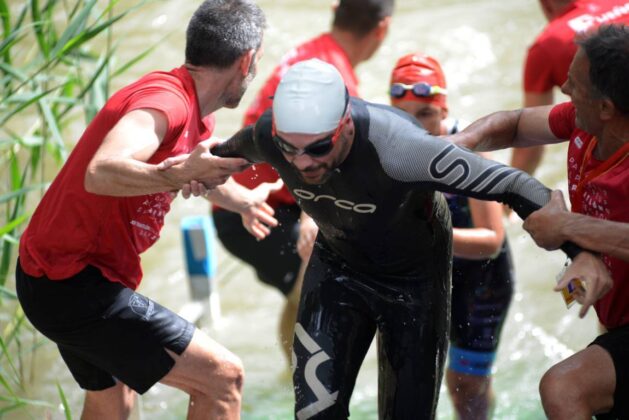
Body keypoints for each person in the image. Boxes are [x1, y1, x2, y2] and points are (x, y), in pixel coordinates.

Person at [171, 58, 604, 419]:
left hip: (413, 287)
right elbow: (212, 158)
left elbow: (518, 186)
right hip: (338, 271)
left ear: (345, 125)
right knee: (313, 413)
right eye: (289, 149)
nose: (302, 164)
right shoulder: (268, 136)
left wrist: (580, 252)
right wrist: (186, 171)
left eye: (318, 149)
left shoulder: (403, 150)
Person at [15, 1, 267, 419]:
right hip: (71, 282)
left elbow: (190, 169)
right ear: (247, 60)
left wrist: (242, 201)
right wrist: (177, 175)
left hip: (53, 277)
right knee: (223, 379)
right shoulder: (166, 102)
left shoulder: (196, 116)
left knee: (114, 400)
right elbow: (101, 172)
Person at [451, 23, 628, 419]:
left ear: (606, 108)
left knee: (564, 387)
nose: (563, 88)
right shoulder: (585, 123)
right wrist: (457, 145)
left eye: (574, 85)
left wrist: (566, 226)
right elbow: (515, 124)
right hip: (617, 318)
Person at [211, 0, 394, 364]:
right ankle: (304, 378)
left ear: (335, 9)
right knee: (321, 288)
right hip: (250, 207)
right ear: (382, 28)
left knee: (305, 290)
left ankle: (292, 375)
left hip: (255, 198)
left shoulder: (316, 55)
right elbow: (322, 165)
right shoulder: (337, 81)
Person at [389, 53, 513, 419]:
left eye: (426, 113)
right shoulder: (386, 150)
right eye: (404, 114)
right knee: (411, 379)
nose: (416, 125)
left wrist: (425, 237)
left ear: (444, 111)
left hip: (481, 282)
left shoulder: (468, 157)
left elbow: (492, 239)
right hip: (428, 279)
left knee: (466, 388)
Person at [512, 0, 629, 176]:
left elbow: (530, 145)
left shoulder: (546, 46)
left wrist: (505, 190)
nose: (565, 88)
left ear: (545, 5)